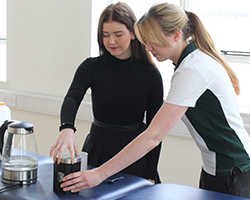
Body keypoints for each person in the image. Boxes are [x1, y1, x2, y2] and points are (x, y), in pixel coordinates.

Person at [57, 2, 250, 198]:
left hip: (233, 171)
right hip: (216, 169)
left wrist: (100, 174)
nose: (148, 47)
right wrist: (66, 127)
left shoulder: (192, 69)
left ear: (176, 35)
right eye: (146, 41)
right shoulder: (188, 65)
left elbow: (154, 135)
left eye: (153, 40)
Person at [49, 2, 163, 184]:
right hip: (98, 149)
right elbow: (72, 97)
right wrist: (67, 127)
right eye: (105, 35)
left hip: (134, 154)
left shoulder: (150, 74)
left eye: (118, 34)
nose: (111, 41)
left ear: (133, 33)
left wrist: (150, 173)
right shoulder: (91, 67)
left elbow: (154, 130)